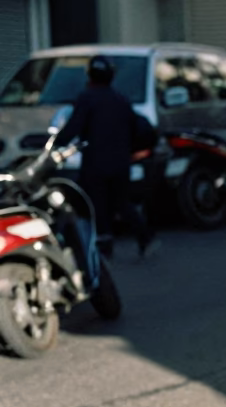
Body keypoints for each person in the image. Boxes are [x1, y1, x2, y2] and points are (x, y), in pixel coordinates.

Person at [55, 54, 157, 260]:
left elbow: (73, 127)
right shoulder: (121, 99)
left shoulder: (86, 98)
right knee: (122, 202)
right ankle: (144, 235)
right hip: (121, 162)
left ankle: (104, 244)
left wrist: (55, 142)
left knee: (97, 204)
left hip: (95, 162)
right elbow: (135, 129)